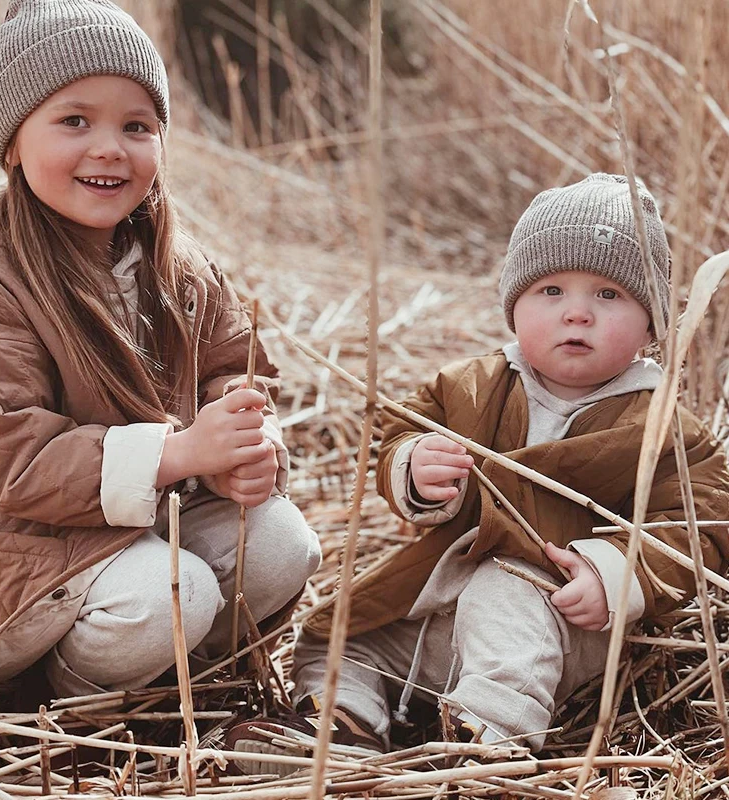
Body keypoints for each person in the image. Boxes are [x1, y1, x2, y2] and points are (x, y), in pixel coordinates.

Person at [226, 173, 729, 771]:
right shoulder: (471, 387)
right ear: (513, 306)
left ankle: (486, 742)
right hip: (442, 596)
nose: (577, 313)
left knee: (503, 590)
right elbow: (399, 432)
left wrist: (617, 575)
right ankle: (343, 724)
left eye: (609, 295)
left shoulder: (662, 424)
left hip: (559, 617)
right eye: (550, 291)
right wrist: (414, 469)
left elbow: (704, 520)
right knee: (342, 631)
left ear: (651, 325)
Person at [0, 0, 321, 710]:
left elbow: (233, 359)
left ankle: (183, 685)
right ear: (14, 144)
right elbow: (3, 453)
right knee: (172, 595)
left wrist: (245, 431)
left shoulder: (174, 259)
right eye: (75, 121)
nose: (109, 147)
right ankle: (64, 701)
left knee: (283, 546)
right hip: (33, 539)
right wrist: (175, 455)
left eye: (136, 126)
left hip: (159, 511)